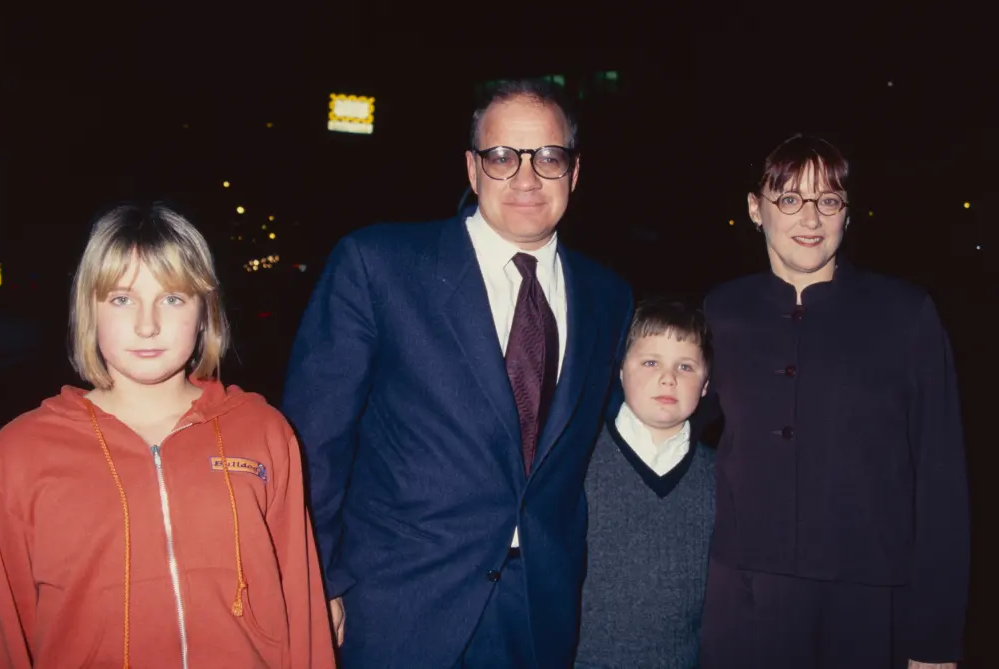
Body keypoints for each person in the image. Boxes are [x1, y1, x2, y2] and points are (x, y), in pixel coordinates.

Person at [282, 78, 634, 669]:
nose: (526, 177)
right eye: (502, 157)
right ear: (472, 170)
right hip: (398, 605)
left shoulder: (609, 296)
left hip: (538, 612)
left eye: (549, 157)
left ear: (575, 173)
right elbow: (312, 442)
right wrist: (321, 579)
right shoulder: (379, 265)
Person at [0, 204, 336, 669]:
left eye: (172, 298)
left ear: (205, 310)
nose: (147, 325)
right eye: (122, 299)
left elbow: (301, 606)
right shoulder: (20, 455)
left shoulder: (262, 431)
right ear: (89, 309)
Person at [698, 135, 970, 669]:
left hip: (868, 603)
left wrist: (935, 638)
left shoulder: (905, 314)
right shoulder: (721, 310)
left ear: (848, 211)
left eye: (829, 200)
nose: (811, 218)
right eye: (790, 199)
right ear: (756, 209)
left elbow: (941, 478)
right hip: (746, 599)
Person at [575, 298, 717, 669]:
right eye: (650, 362)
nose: (668, 378)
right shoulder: (575, 462)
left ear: (705, 385)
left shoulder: (723, 476)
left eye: (685, 366)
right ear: (621, 371)